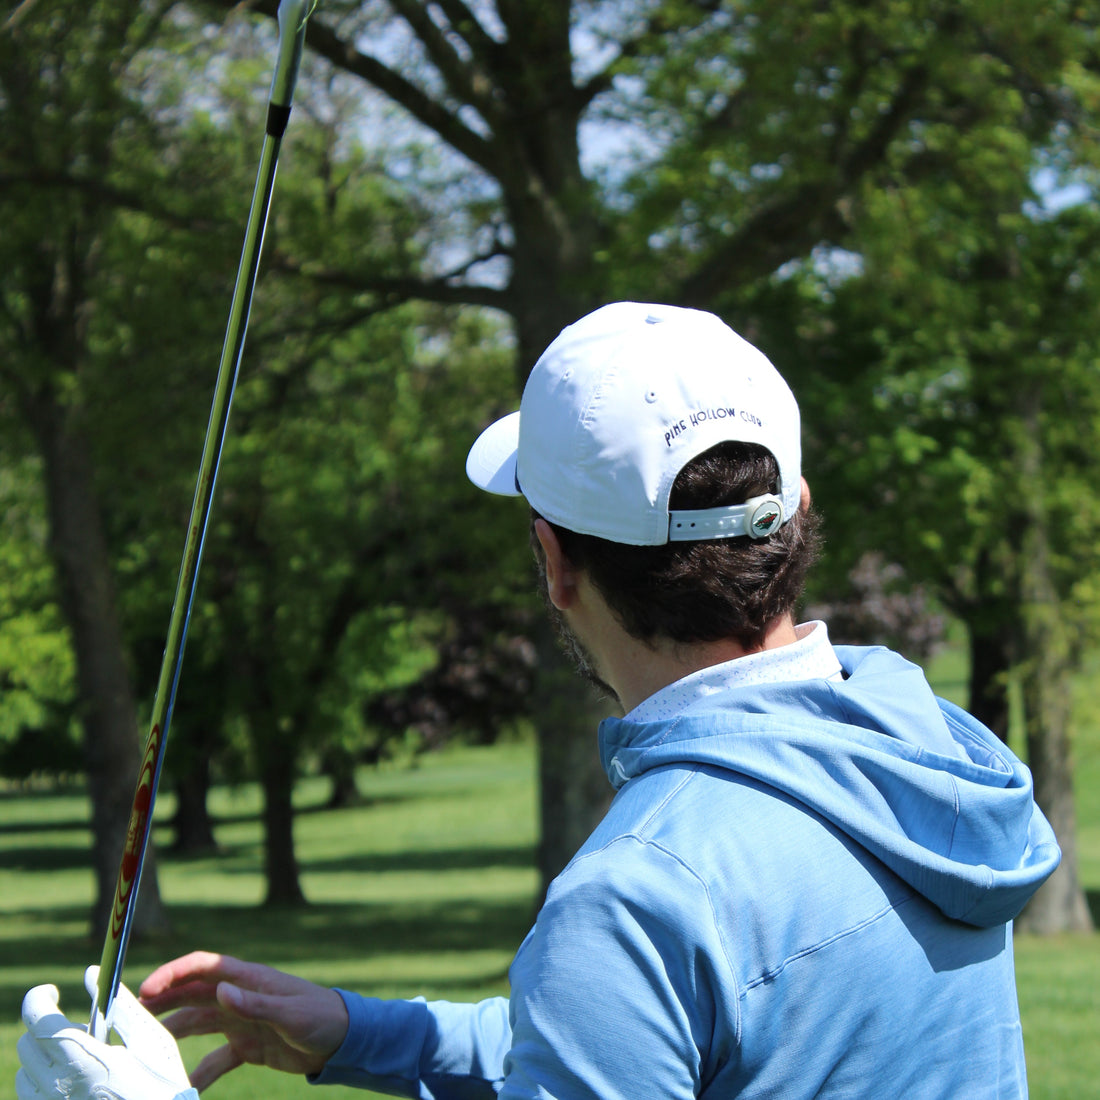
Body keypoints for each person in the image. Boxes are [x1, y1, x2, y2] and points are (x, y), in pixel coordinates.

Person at [17, 302, 1060, 1100]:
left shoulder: (639, 898)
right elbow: (648, 1034)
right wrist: (367, 1029)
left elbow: (632, 991)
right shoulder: (924, 752)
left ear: (553, 558)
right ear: (793, 515)